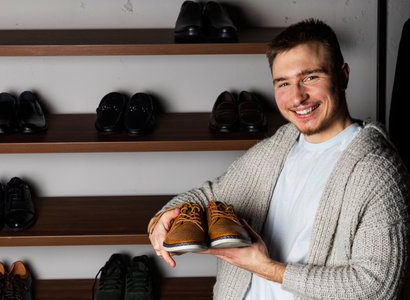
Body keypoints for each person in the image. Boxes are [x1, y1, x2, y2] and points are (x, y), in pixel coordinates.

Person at [148, 18, 409, 299]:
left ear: (343, 76)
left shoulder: (378, 170)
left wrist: (266, 268)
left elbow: (376, 287)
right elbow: (206, 195)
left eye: (310, 77)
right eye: (283, 83)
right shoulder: (277, 148)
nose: (297, 97)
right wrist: (159, 221)